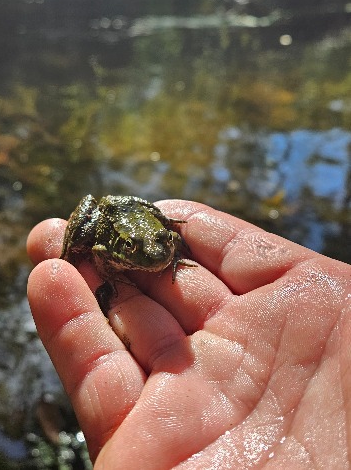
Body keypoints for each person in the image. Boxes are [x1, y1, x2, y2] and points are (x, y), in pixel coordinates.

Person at [27, 199, 351, 469]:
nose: (156, 254)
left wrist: (165, 234)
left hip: (139, 218)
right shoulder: (112, 243)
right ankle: (72, 254)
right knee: (78, 248)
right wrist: (104, 268)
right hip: (114, 216)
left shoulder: (162, 243)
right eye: (134, 247)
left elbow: (163, 240)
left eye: (163, 241)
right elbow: (99, 250)